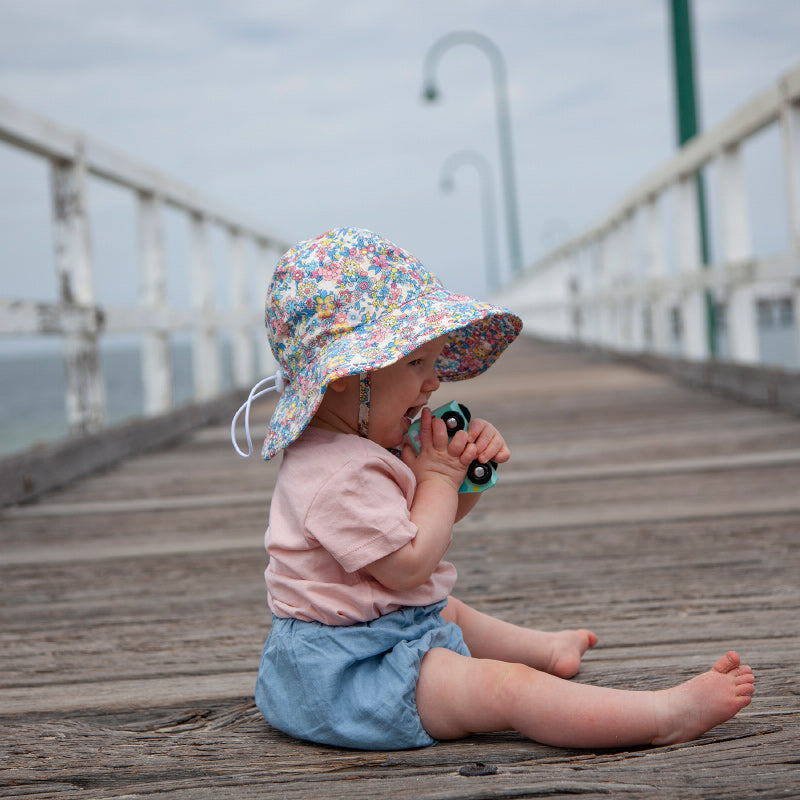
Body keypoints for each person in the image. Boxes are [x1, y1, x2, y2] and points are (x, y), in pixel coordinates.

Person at [232, 226, 755, 751]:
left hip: (368, 636)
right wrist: (436, 476)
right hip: (348, 677)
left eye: (434, 364)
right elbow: (410, 565)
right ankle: (662, 716)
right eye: (416, 362)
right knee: (506, 689)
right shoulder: (338, 476)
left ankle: (547, 649)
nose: (434, 382)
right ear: (345, 375)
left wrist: (461, 476)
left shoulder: (353, 449)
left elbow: (421, 525)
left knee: (445, 609)